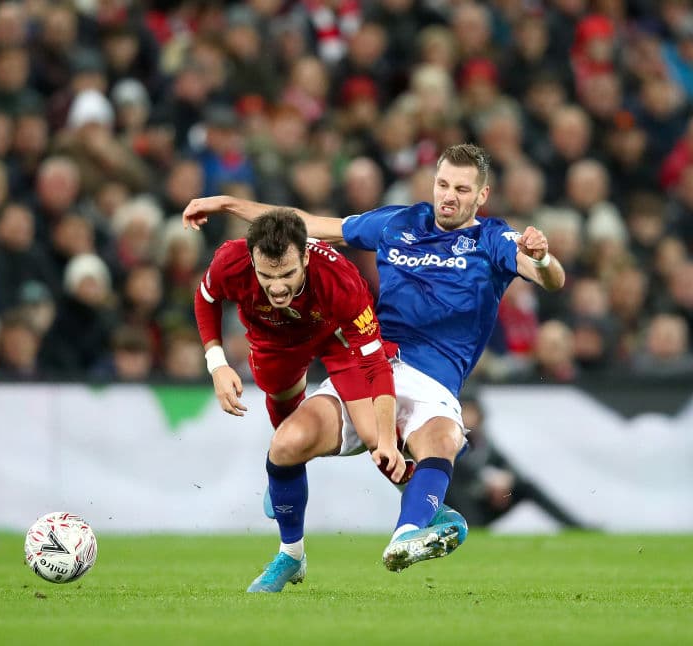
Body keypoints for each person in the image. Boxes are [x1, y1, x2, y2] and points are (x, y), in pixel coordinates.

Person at [184, 143, 565, 573]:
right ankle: (291, 556)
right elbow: (304, 225)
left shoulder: (492, 239)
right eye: (442, 184)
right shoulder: (399, 222)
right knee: (288, 442)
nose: (449, 195)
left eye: (462, 188)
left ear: (482, 195)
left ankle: (406, 534)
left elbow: (550, 278)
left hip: (433, 381)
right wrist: (229, 204)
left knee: (442, 439)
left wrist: (543, 257)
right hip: (370, 361)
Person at [193, 208, 406, 592]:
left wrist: (389, 440)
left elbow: (376, 365)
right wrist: (217, 364)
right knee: (285, 440)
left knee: (376, 432)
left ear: (306, 255)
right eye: (267, 275)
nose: (276, 287)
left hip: (334, 336)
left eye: (288, 274)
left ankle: (426, 507)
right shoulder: (232, 260)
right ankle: (292, 555)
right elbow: (206, 297)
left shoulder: (340, 278)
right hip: (273, 341)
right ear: (252, 258)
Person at [445, 391, 585, 529]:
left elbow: (507, 465)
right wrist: (488, 480)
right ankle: (469, 526)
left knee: (525, 486)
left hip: (484, 502)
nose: (468, 417)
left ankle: (575, 527)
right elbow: (458, 469)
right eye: (464, 412)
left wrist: (506, 480)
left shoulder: (484, 442)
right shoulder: (447, 439)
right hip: (455, 505)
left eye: (471, 412)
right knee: (453, 487)